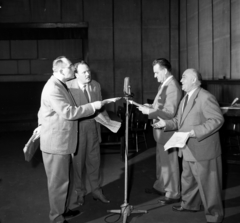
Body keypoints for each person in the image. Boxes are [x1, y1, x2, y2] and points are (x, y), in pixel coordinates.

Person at [34, 56, 103, 223]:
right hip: (56, 143)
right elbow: (69, 112)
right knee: (58, 184)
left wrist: (42, 123)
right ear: (60, 71)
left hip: (62, 140)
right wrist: (93, 106)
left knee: (64, 180)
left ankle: (62, 210)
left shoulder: (60, 85)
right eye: (70, 67)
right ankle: (57, 218)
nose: (73, 69)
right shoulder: (53, 88)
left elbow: (43, 111)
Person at [153, 68, 224, 223]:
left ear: (193, 80)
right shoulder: (185, 98)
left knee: (209, 186)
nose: (181, 80)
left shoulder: (206, 97)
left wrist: (193, 132)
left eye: (184, 77)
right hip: (187, 148)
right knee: (188, 179)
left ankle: (214, 215)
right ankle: (190, 204)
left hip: (203, 150)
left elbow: (217, 120)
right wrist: (165, 123)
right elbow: (179, 121)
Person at [66, 61, 111, 206]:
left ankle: (97, 191)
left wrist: (109, 122)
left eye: (88, 71)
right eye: (84, 72)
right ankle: (80, 193)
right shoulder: (68, 87)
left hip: (93, 128)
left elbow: (100, 108)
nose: (88, 74)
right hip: (77, 129)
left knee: (94, 162)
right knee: (78, 165)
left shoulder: (95, 85)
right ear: (76, 74)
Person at [138, 58, 182, 204]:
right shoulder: (164, 85)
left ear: (164, 71)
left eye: (156, 73)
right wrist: (150, 106)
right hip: (160, 132)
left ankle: (173, 193)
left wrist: (149, 112)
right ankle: (161, 186)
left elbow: (169, 112)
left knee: (170, 164)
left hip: (168, 132)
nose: (155, 76)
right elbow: (161, 106)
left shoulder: (172, 86)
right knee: (162, 163)